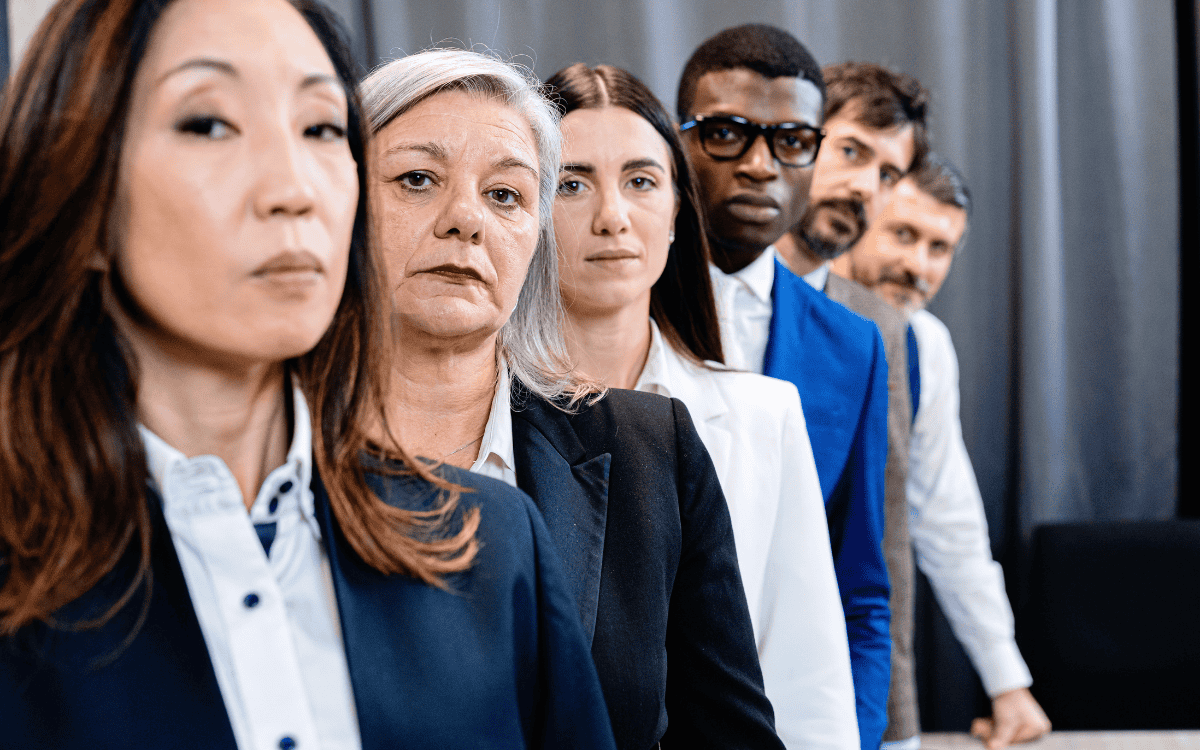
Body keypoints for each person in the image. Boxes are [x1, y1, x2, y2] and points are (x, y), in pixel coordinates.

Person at [0, 2, 617, 748]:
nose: (293, 188)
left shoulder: (491, 542)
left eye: (321, 128)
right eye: (209, 124)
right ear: (79, 190)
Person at [360, 49, 782, 750]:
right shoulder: (261, 451)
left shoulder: (652, 452)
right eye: (416, 179)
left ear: (535, 239)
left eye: (506, 195)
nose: (465, 219)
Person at [546, 61, 859, 749]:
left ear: (678, 210)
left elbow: (807, 683)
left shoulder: (762, 415)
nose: (612, 217)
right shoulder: (473, 409)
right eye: (571, 183)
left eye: (640, 181)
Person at [677, 25, 892, 750]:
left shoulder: (854, 346)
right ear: (677, 145)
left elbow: (859, 583)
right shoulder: (614, 313)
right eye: (727, 133)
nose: (762, 165)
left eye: (793, 139)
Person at [831, 155, 1053, 750]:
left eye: (939, 247)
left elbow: (948, 520)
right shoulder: (787, 312)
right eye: (903, 235)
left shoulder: (927, 346)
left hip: (865, 643)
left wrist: (1006, 681)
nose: (917, 266)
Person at [774, 61, 930, 748]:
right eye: (852, 152)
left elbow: (883, 540)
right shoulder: (672, 286)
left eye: (889, 173)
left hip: (810, 694)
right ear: (798, 140)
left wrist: (890, 730)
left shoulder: (880, 330)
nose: (867, 186)